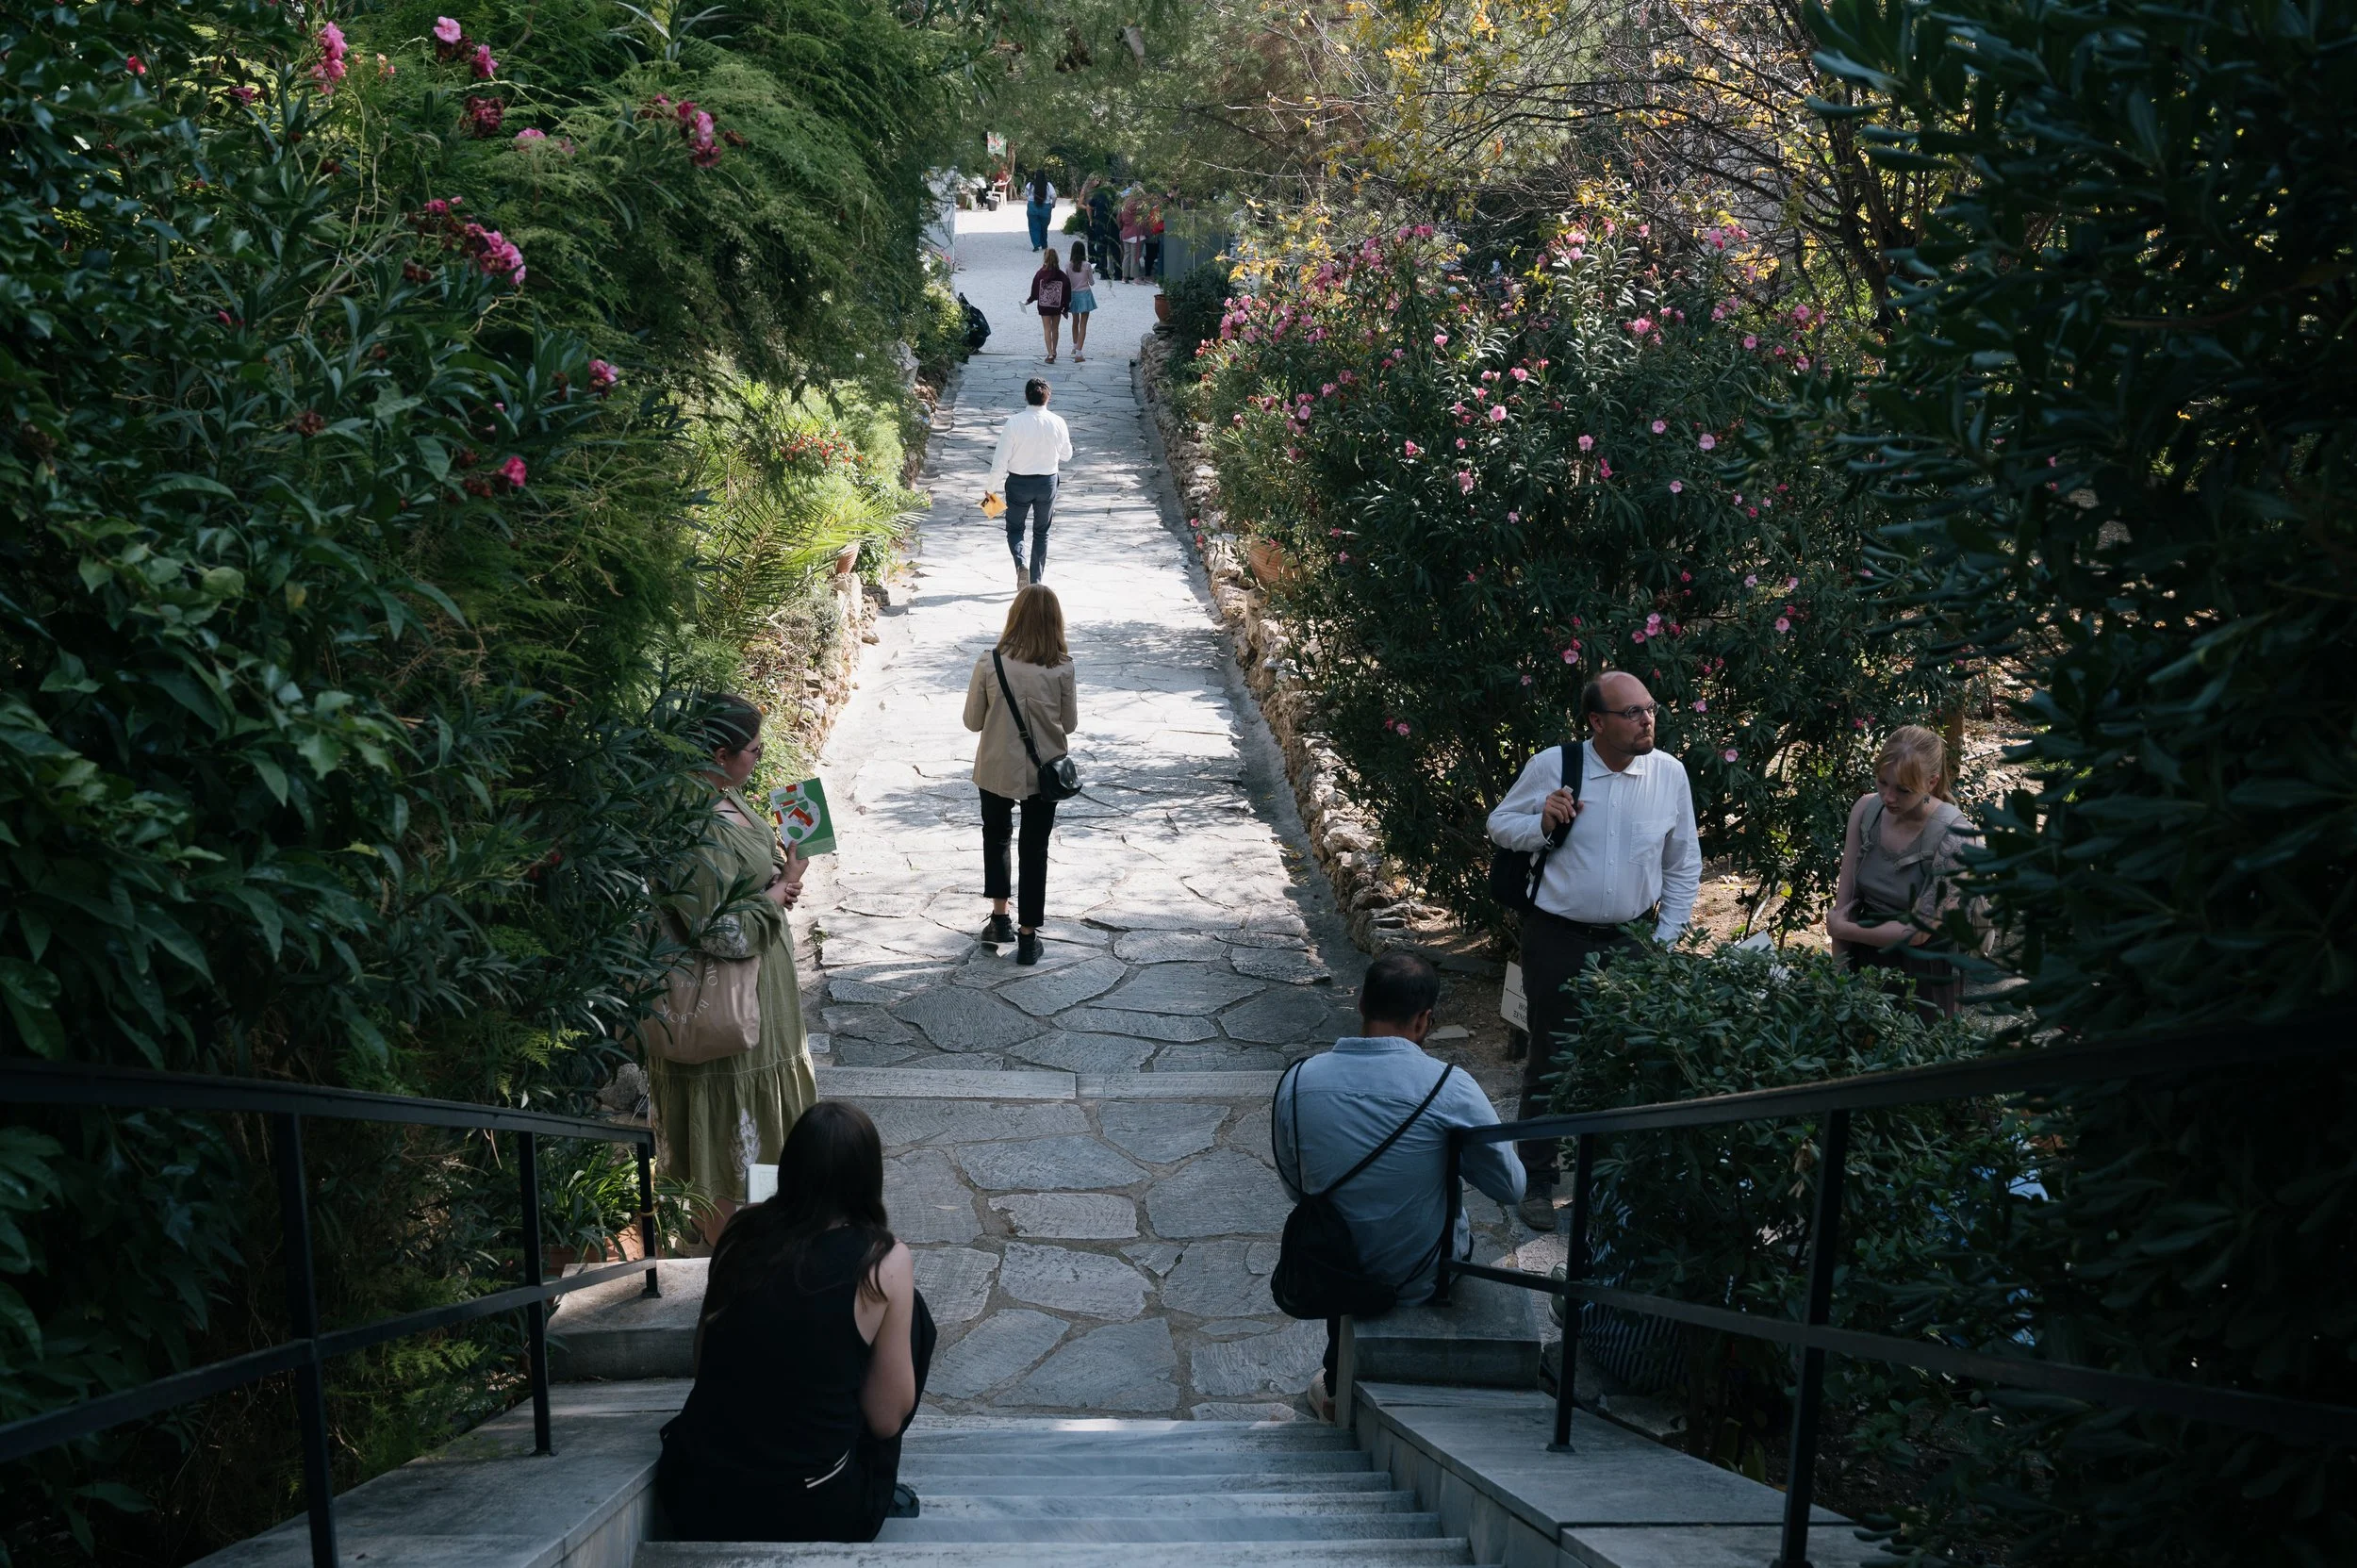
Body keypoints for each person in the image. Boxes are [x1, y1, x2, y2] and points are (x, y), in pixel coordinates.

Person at [655, 1101, 936, 1543]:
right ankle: (873, 1485)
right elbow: (885, 1420)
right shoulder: (883, 1259)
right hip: (813, 1509)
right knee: (911, 1313)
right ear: (868, 1177)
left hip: (697, 1499)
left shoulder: (740, 1233)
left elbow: (704, 1360)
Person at [1485, 670, 1701, 1232]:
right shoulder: (1555, 765)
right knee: (1551, 1059)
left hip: (1634, 941)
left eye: (1650, 708)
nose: (1646, 720)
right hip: (1557, 937)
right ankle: (1536, 1178)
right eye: (1631, 712)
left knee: (1626, 1059)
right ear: (1596, 722)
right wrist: (1542, 821)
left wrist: (1665, 943)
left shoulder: (1669, 774)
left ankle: (1608, 1179)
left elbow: (1683, 865)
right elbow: (1499, 825)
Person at [1273, 951, 1523, 1420]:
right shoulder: (1451, 1086)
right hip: (1418, 1278)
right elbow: (1511, 1187)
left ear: (1362, 1003)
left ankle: (1335, 1388)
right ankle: (1341, 1394)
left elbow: (1296, 1187)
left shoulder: (1297, 1080)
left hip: (1327, 1267)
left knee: (1346, 1231)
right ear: (1425, 1020)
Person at [649, 694, 818, 1248]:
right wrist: (777, 887)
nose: (760, 755)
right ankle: (729, 1258)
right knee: (730, 1130)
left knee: (760, 1126)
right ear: (720, 753)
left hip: (760, 984)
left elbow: (739, 890)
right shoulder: (689, 818)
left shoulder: (723, 795)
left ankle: (763, 1239)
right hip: (723, 995)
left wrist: (779, 876)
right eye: (753, 748)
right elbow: (715, 929)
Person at [1826, 724, 1978, 1019]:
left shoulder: (1957, 837)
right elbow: (1843, 906)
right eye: (1882, 782)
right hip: (1863, 957)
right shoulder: (1866, 811)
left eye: (1903, 790)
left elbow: (1918, 933)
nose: (1888, 797)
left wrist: (1843, 929)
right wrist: (1840, 978)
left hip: (1923, 975)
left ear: (1932, 782)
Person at [963, 586, 1078, 968]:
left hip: (996, 767)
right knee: (1035, 849)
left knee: (996, 837)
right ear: (1054, 622)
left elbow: (972, 721)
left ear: (1014, 616)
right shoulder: (1062, 666)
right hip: (1044, 771)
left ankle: (999, 919)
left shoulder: (989, 662)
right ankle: (1028, 937)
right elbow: (1071, 724)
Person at [983, 377, 1071, 590]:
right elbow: (1067, 455)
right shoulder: (1058, 422)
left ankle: (1020, 563)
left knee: (1015, 529)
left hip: (1019, 483)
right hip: (1047, 483)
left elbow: (1000, 461)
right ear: (1048, 397)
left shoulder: (1014, 423)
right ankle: (1036, 581)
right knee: (1042, 531)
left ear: (1026, 396)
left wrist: (990, 489)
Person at [1023, 246, 1069, 363]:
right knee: (1055, 328)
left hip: (1044, 305)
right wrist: (1066, 307)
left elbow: (1035, 290)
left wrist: (1029, 300)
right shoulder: (1062, 276)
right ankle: (1054, 350)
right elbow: (1067, 292)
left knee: (1047, 329)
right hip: (1057, 305)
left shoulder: (1040, 274)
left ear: (1045, 258)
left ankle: (1049, 354)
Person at [1063, 241, 1097, 362]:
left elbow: (1067, 283)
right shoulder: (1087, 265)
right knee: (1083, 324)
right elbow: (1092, 282)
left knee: (1075, 322)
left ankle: (1074, 346)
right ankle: (1079, 353)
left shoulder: (1068, 265)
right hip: (1085, 295)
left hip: (1073, 295)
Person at [1024, 168, 1057, 253]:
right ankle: (1044, 244)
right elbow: (1054, 196)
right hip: (1045, 208)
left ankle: (1036, 245)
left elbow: (1025, 195)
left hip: (1032, 207)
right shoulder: (1048, 185)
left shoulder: (1030, 185)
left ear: (1035, 176)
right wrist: (1053, 204)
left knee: (1033, 226)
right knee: (1044, 227)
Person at [1117, 188, 1146, 282]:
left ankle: (1124, 277)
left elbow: (1119, 219)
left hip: (1125, 233)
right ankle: (1135, 278)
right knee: (1135, 256)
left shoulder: (1123, 205)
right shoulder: (1137, 204)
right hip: (1135, 233)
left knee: (1126, 255)